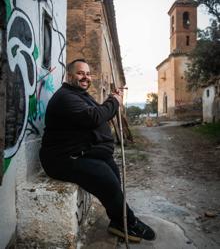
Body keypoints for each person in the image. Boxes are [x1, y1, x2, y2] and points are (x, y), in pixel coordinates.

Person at [39, 59, 156, 242]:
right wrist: (114, 101)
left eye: (87, 73)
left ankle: (118, 220)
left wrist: (112, 100)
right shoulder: (65, 97)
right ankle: (129, 222)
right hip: (60, 159)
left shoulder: (80, 95)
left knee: (112, 171)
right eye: (80, 73)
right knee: (104, 176)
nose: (85, 77)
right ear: (69, 76)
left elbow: (98, 112)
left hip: (80, 151)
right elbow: (94, 117)